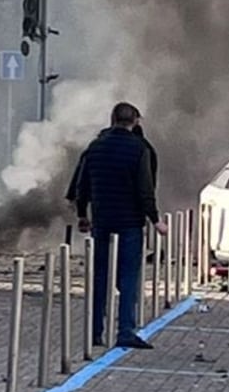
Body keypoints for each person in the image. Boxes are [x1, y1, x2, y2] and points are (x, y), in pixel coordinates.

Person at [68, 102, 165, 349]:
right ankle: (125, 330)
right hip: (130, 222)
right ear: (135, 121)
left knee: (100, 276)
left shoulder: (95, 147)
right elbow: (145, 189)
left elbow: (82, 184)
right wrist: (155, 220)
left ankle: (95, 332)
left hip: (102, 221)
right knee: (128, 277)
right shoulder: (138, 149)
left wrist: (82, 215)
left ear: (112, 119)